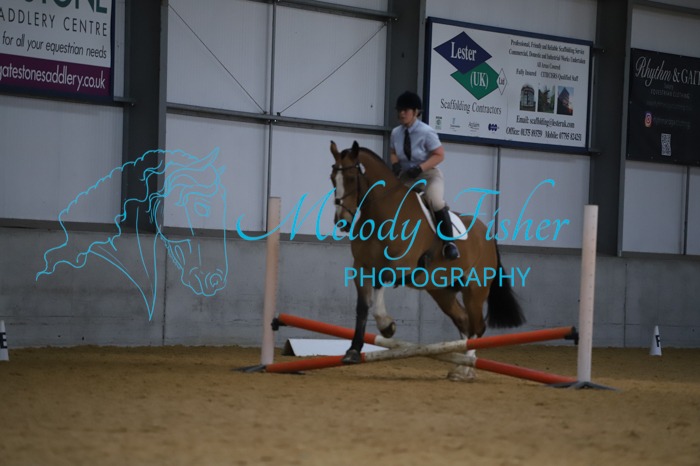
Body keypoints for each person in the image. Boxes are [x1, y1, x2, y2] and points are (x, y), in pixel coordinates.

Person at [389, 91, 460, 260]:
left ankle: (449, 243)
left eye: (405, 110)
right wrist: (395, 164)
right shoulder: (395, 133)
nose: (401, 113)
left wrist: (420, 168)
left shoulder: (426, 132)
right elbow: (393, 152)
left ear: (416, 112)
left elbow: (439, 155)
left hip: (428, 174)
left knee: (435, 201)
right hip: (407, 176)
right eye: (399, 110)